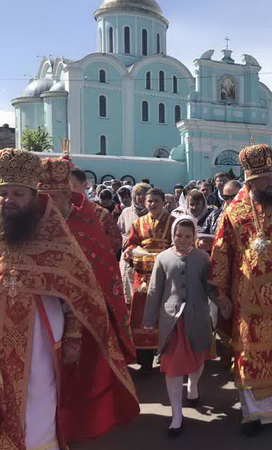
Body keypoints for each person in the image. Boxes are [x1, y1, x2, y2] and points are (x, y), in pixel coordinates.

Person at [0, 149, 138, 450]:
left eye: (17, 194)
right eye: (4, 193)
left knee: (38, 400)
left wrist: (74, 337)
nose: (8, 200)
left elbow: (80, 292)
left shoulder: (56, 240)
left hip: (39, 341)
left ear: (33, 198)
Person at [209, 144, 272, 436]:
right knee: (251, 353)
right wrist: (221, 295)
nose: (271, 183)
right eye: (265, 179)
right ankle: (253, 412)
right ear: (250, 181)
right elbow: (220, 253)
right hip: (246, 297)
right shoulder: (232, 212)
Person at [37, 155, 139, 442]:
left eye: (55, 196)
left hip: (88, 309)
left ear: (68, 193)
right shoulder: (34, 224)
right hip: (45, 310)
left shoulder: (93, 216)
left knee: (84, 373)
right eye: (44, 196)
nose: (49, 203)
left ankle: (83, 423)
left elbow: (106, 258)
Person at [143, 215, 217, 438]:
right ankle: (176, 415)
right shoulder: (163, 258)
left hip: (197, 319)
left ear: (195, 236)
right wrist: (149, 318)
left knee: (197, 361)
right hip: (172, 321)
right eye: (178, 235)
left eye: (187, 235)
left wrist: (218, 310)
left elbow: (211, 288)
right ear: (172, 235)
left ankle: (193, 387)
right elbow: (155, 290)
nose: (182, 239)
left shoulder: (203, 258)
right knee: (173, 368)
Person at [123, 187, 175, 372]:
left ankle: (166, 356)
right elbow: (131, 243)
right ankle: (144, 359)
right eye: (149, 201)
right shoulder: (138, 224)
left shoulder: (173, 222)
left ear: (164, 203)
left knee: (166, 312)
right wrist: (130, 250)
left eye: (156, 201)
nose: (152, 204)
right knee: (141, 312)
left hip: (165, 275)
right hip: (142, 275)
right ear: (145, 203)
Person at [118, 183, 151, 304]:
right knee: (127, 291)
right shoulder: (126, 212)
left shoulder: (153, 212)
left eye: (144, 194)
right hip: (128, 256)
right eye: (138, 194)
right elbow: (120, 231)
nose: (141, 197)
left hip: (147, 257)